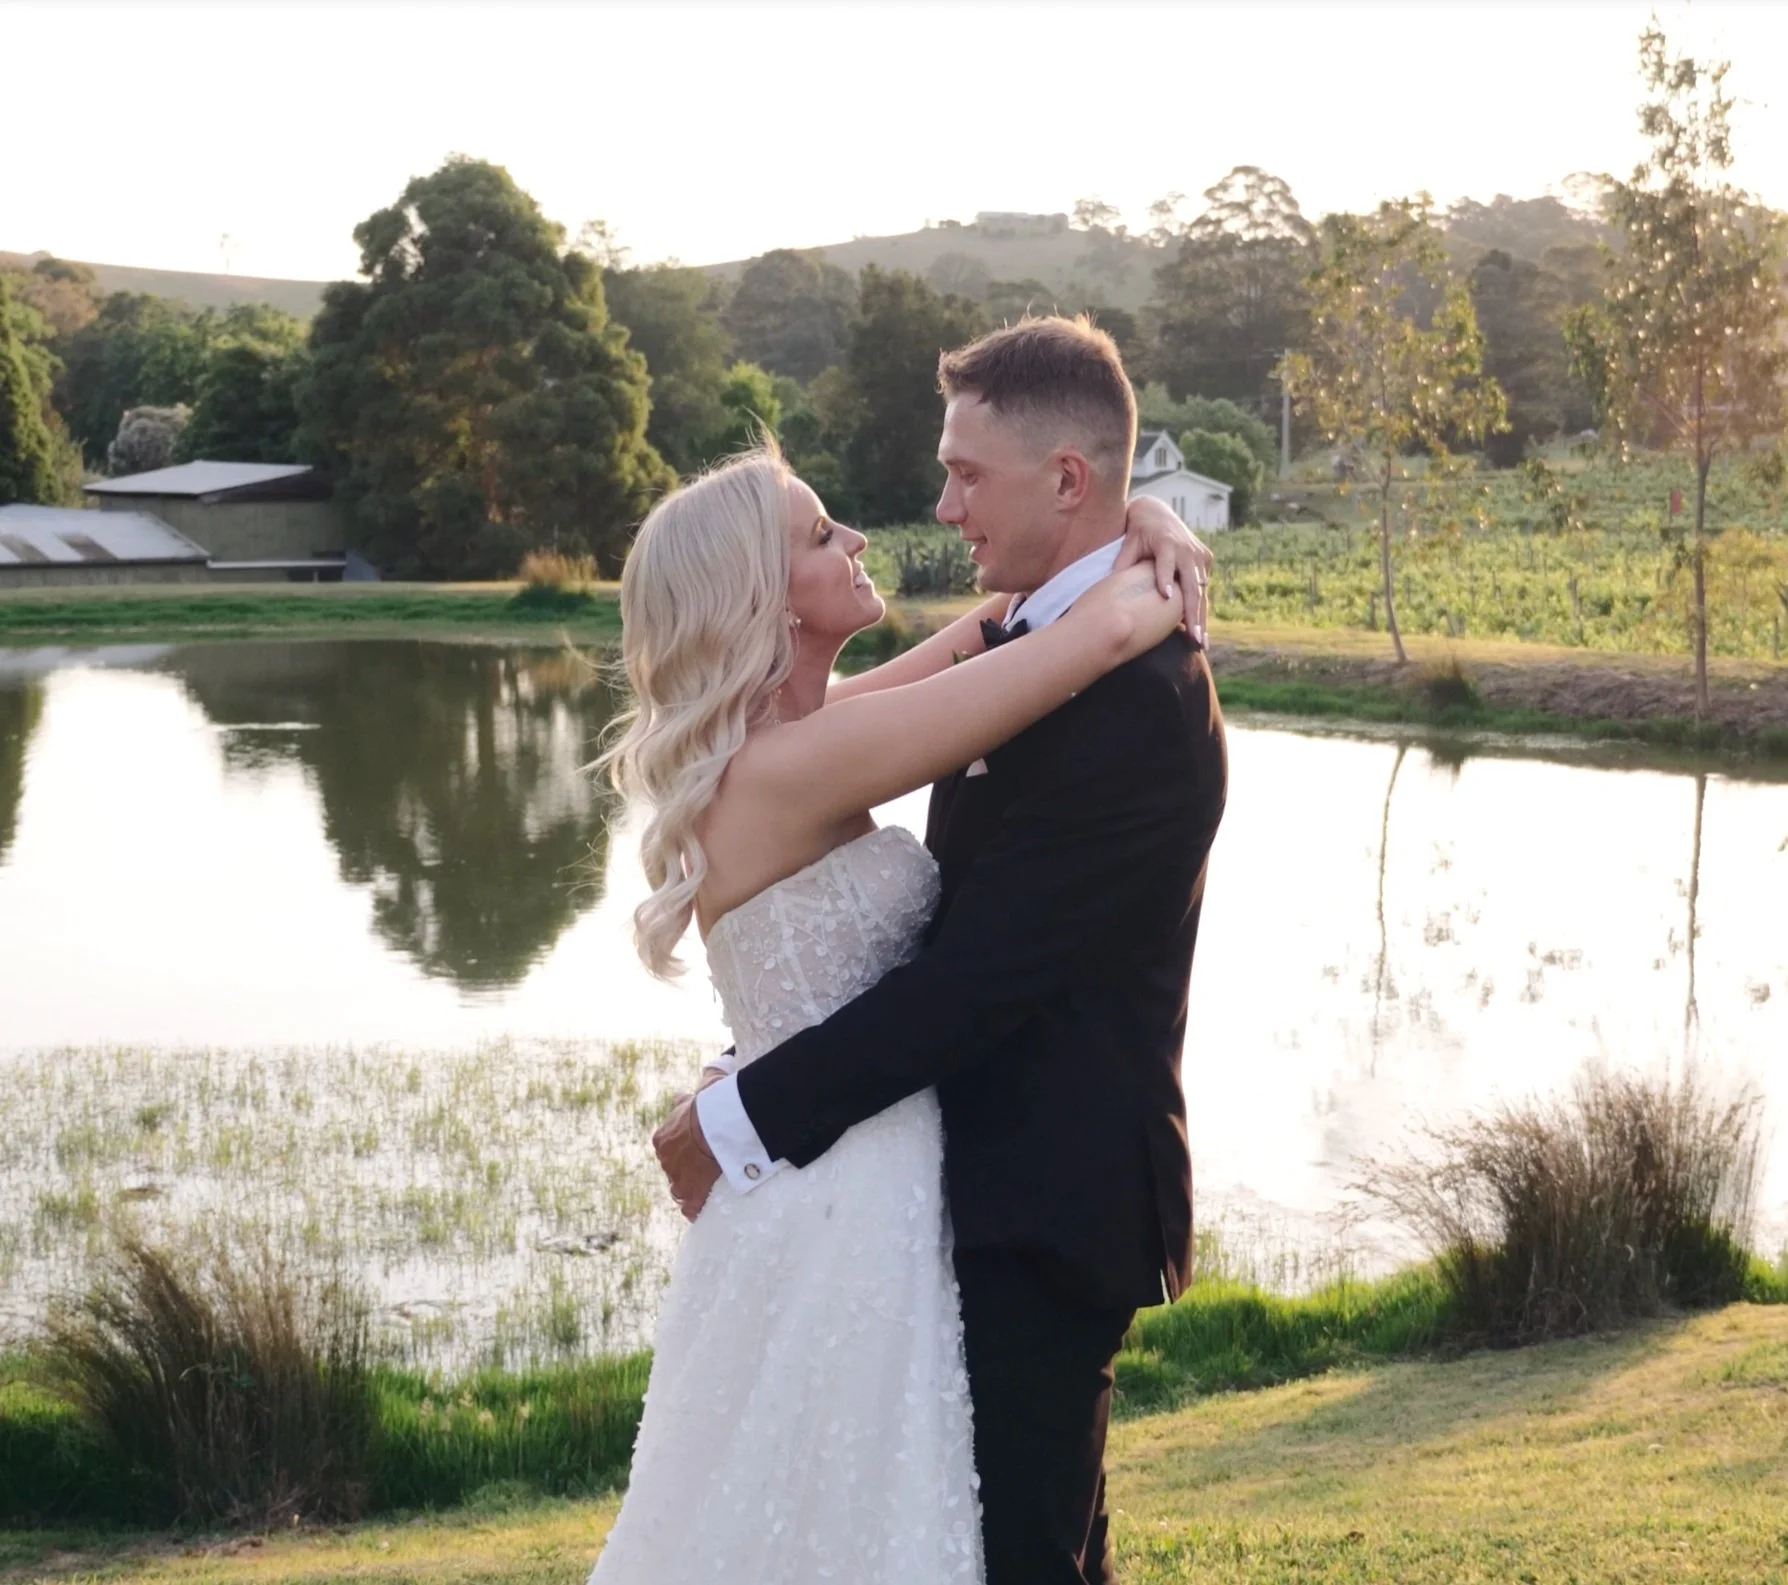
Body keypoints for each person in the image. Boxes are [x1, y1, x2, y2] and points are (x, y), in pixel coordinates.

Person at [650, 315, 1229, 1585]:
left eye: (966, 474)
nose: (933, 508)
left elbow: (972, 985)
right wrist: (1142, 542)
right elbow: (1029, 644)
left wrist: (740, 1112)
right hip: (897, 1200)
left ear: (1063, 479)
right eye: (823, 534)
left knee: (1010, 1552)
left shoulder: (1137, 702)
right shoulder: (877, 720)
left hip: (1041, 1205)